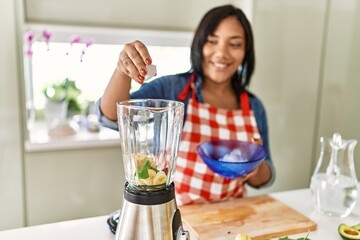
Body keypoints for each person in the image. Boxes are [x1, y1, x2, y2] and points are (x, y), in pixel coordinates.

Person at [96, 4, 275, 206]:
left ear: (246, 51)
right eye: (212, 41)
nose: (221, 53)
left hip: (233, 218)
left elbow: (266, 177)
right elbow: (111, 116)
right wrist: (122, 70)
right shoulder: (172, 89)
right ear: (199, 45)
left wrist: (255, 166)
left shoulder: (254, 107)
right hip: (174, 217)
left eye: (234, 44)